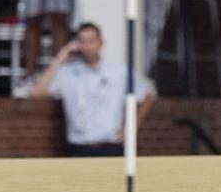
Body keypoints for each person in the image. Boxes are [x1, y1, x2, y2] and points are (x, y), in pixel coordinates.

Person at [31, 22, 155, 156]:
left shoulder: (119, 71)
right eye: (82, 41)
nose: (88, 46)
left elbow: (147, 96)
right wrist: (60, 57)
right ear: (77, 45)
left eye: (91, 41)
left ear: (101, 43)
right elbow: (37, 92)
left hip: (111, 146)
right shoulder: (67, 73)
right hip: (78, 147)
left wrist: (132, 125)